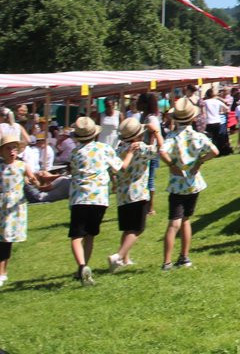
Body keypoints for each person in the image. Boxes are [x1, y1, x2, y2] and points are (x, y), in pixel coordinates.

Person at [159, 97, 218, 270]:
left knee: (174, 222)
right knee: (186, 220)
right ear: (193, 118)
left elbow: (162, 151)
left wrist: (171, 164)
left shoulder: (172, 136)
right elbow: (215, 151)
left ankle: (167, 262)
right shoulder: (198, 136)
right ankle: (184, 257)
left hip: (177, 184)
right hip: (193, 183)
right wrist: (200, 161)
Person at [67, 116, 126, 285]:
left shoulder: (74, 153)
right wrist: (129, 154)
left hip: (80, 198)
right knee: (90, 235)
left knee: (77, 237)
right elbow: (119, 167)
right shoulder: (104, 148)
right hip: (99, 198)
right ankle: (84, 268)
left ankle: (82, 266)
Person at [108, 116, 164, 272]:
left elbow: (111, 168)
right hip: (138, 193)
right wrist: (157, 132)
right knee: (137, 229)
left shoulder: (119, 149)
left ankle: (125, 259)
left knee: (127, 228)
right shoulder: (140, 147)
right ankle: (118, 257)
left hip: (122, 194)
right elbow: (160, 149)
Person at [1, 133, 55, 288]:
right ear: (2, 151)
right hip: (2, 205)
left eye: (14, 148)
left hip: (15, 207)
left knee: (7, 239)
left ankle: (2, 272)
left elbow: (33, 180)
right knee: (3, 239)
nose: (12, 151)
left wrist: (37, 180)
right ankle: (2, 272)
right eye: (8, 148)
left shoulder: (22, 165)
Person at [200, 87, 230, 156]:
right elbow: (227, 109)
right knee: (216, 137)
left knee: (209, 137)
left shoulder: (205, 102)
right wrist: (221, 112)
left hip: (209, 121)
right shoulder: (217, 101)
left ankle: (210, 151)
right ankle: (217, 151)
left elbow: (202, 112)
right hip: (217, 121)